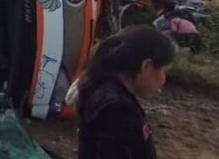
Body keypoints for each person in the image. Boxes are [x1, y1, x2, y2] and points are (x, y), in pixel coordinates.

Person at [67, 26, 175, 159]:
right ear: (146, 66)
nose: (164, 80)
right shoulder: (116, 108)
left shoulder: (110, 94)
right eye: (164, 71)